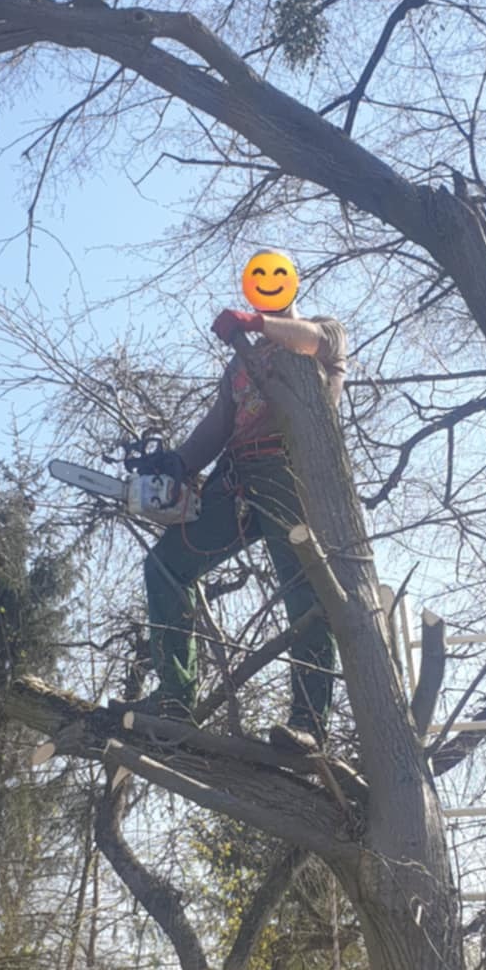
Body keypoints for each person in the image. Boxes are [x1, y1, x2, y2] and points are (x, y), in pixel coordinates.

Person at [140, 249, 347, 752]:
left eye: (276, 277)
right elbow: (218, 424)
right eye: (259, 280)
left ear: (290, 284)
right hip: (236, 478)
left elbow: (314, 343)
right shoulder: (238, 364)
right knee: (165, 565)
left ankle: (308, 725)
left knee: (306, 593)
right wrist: (180, 463)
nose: (268, 283)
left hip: (292, 473)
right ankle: (174, 697)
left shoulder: (324, 332)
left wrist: (256, 322)